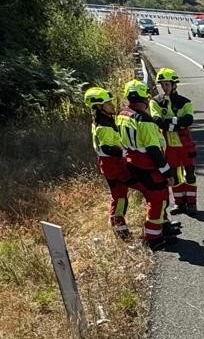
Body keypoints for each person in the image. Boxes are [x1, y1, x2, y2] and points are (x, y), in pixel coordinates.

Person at [118, 80, 177, 246]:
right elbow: (154, 150)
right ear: (143, 98)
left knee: (160, 197)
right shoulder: (144, 120)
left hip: (133, 163)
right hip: (149, 166)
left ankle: (163, 226)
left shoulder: (123, 113)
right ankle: (153, 238)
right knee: (157, 200)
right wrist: (167, 173)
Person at [84, 87, 130, 240]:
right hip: (112, 165)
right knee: (119, 197)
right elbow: (107, 147)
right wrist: (125, 153)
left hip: (113, 164)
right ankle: (119, 229)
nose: (112, 105)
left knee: (121, 195)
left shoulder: (105, 119)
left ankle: (120, 226)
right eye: (107, 103)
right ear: (98, 106)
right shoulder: (103, 125)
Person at [152, 69, 197, 215]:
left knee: (190, 174)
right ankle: (179, 203)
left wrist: (169, 123)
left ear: (174, 85)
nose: (164, 88)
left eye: (167, 84)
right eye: (162, 85)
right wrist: (177, 123)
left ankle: (192, 203)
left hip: (185, 144)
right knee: (174, 175)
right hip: (169, 145)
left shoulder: (185, 102)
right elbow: (158, 121)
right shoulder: (155, 102)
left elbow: (189, 120)